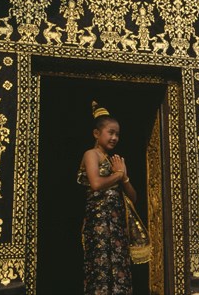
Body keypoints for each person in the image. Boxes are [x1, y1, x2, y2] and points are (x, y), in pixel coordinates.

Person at [77, 101, 137, 294]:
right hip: (99, 223)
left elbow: (133, 198)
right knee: (100, 268)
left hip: (117, 223)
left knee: (118, 267)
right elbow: (95, 184)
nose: (114, 137)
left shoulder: (116, 162)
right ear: (96, 134)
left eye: (117, 134)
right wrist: (118, 175)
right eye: (110, 132)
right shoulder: (91, 154)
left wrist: (124, 176)